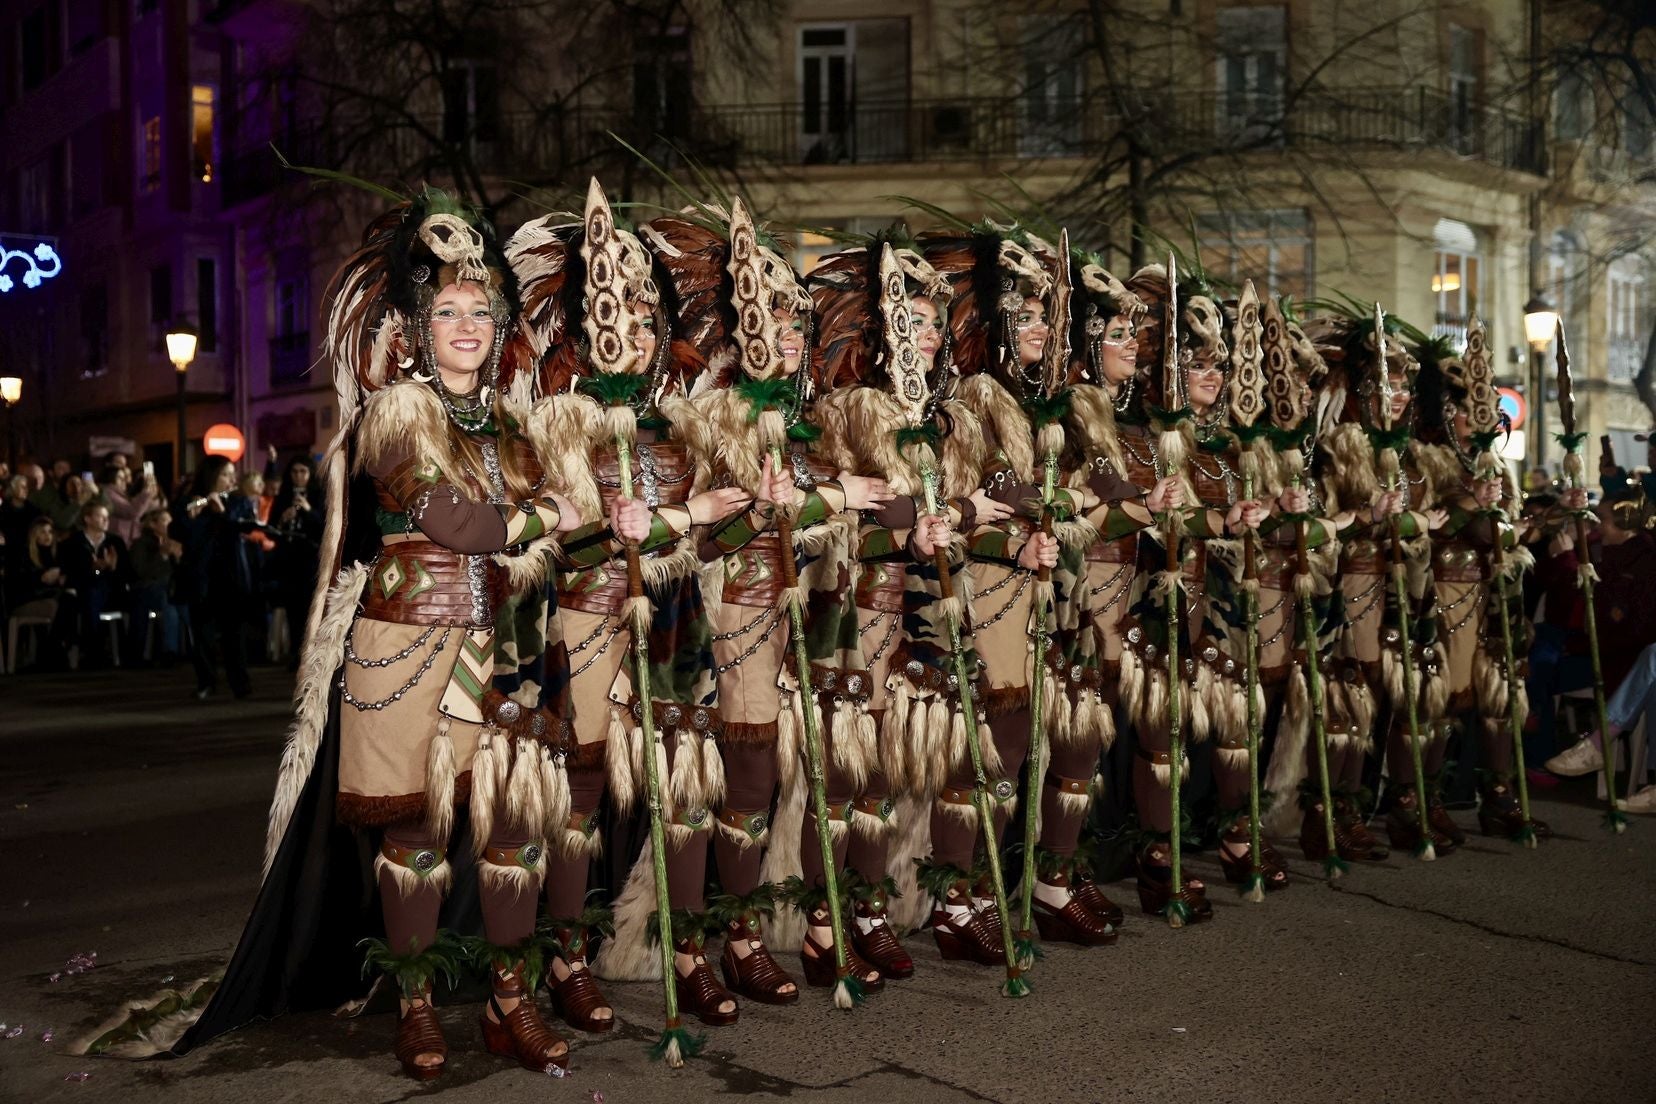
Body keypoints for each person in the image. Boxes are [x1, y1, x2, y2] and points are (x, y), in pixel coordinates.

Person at [173, 457, 256, 699]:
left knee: (234, 634)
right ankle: (206, 682)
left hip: (230, 576)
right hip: (201, 576)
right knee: (202, 634)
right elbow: (178, 532)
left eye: (233, 474)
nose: (232, 480)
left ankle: (240, 683)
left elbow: (246, 528)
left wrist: (222, 513)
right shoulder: (190, 502)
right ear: (211, 477)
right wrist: (191, 517)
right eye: (226, 475)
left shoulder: (238, 502)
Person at [59, 500, 131, 667]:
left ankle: (99, 648)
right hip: (83, 592)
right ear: (88, 519)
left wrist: (112, 567)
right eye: (100, 516)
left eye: (107, 517)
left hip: (112, 593)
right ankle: (94, 649)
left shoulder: (115, 542)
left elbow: (127, 574)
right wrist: (95, 569)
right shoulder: (74, 543)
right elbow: (72, 573)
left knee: (99, 592)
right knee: (91, 594)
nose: (106, 520)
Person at [270, 456, 324, 669]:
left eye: (303, 471)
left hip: (310, 559)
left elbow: (324, 526)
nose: (298, 476)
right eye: (294, 472)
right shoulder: (283, 496)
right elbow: (272, 529)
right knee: (293, 609)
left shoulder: (319, 495)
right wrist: (283, 518)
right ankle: (295, 653)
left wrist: (309, 510)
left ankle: (311, 654)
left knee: (310, 608)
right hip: (289, 560)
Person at [128, 506, 185, 663]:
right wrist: (162, 555)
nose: (169, 524)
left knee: (182, 600)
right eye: (165, 520)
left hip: (171, 589)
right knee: (168, 599)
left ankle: (190, 649)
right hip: (145, 590)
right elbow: (142, 572)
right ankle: (170, 651)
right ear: (153, 524)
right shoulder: (140, 544)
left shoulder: (176, 543)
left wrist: (179, 559)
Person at [100, 463, 157, 546]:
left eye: (124, 478)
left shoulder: (120, 494)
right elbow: (132, 512)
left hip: (126, 538)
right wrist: (146, 492)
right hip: (118, 539)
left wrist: (151, 492)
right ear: (110, 477)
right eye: (120, 478)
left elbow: (140, 508)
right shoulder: (108, 493)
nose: (124, 481)